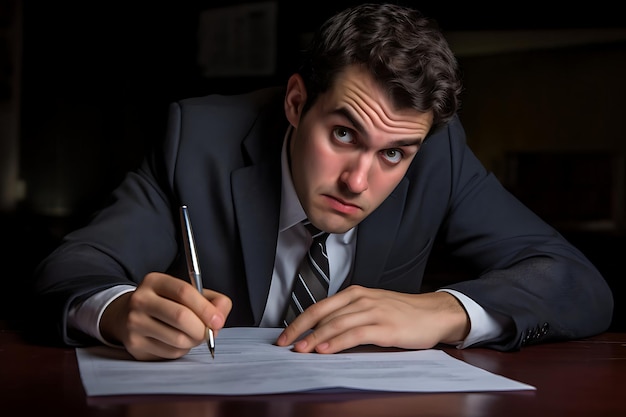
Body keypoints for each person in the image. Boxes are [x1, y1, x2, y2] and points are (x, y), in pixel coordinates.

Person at [31, 3, 613, 361]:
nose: (359, 179)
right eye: (342, 135)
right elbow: (71, 271)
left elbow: (577, 283)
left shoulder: (438, 156)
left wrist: (444, 312)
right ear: (295, 102)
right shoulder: (198, 140)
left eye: (393, 153)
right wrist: (115, 311)